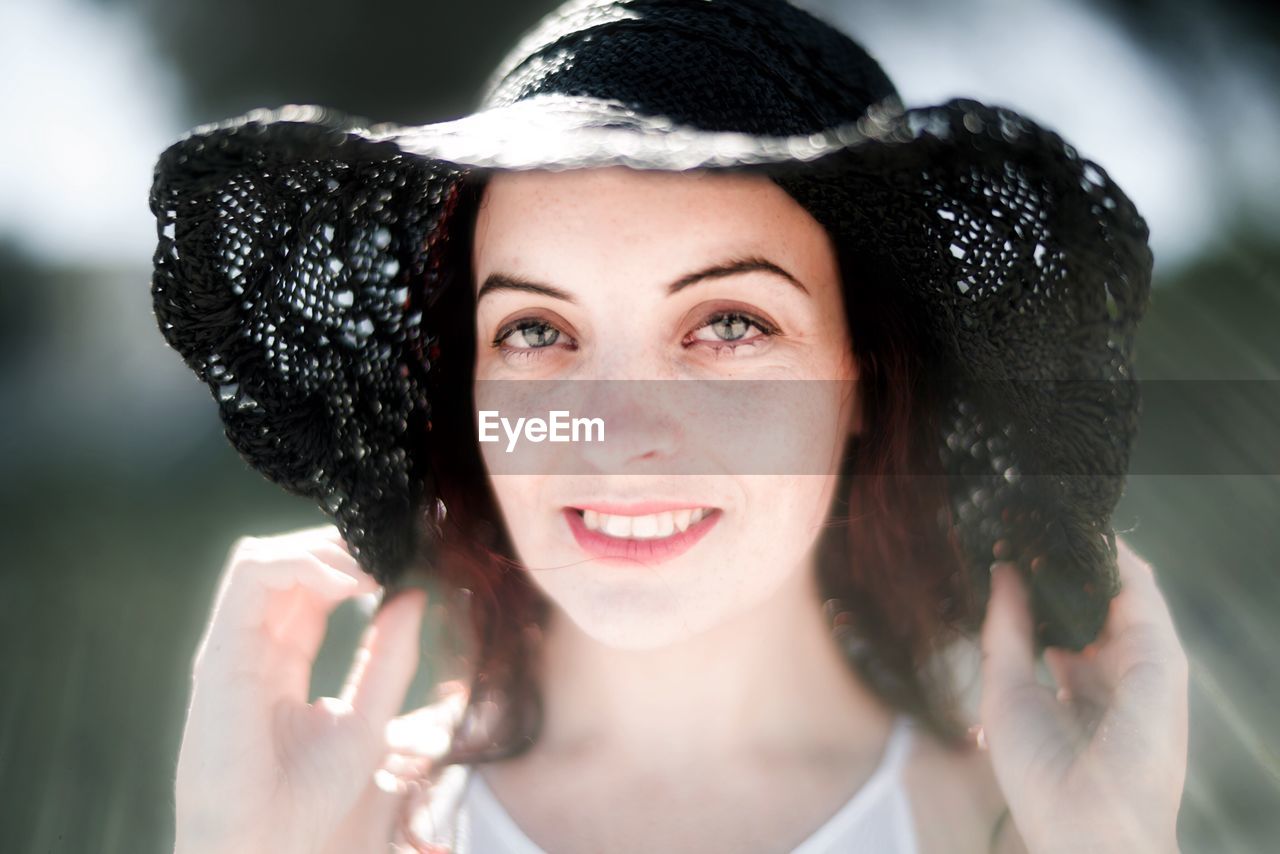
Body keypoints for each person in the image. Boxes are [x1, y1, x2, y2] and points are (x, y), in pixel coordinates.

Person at [154, 1, 1189, 852]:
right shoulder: (341, 827)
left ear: (866, 380)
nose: (611, 432)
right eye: (533, 329)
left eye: (727, 323)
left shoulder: (1020, 828)